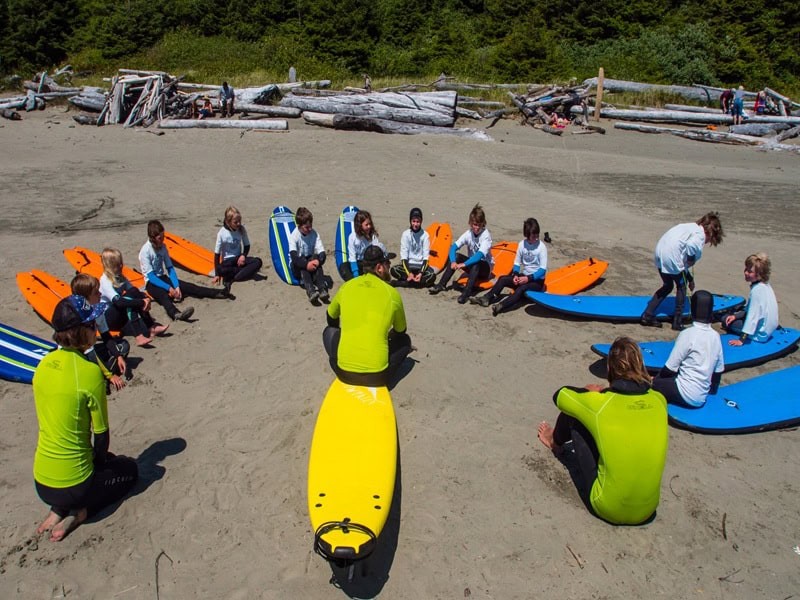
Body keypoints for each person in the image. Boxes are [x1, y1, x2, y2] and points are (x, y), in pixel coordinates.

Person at [32, 296, 139, 542]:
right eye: (92, 325)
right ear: (82, 332)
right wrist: (105, 462)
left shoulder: (43, 365)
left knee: (83, 461)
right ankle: (80, 513)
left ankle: (57, 509)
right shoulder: (90, 373)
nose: (96, 329)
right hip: (77, 485)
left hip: (42, 482)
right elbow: (101, 438)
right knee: (129, 469)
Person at [537, 336, 668, 525]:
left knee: (576, 415)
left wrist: (588, 391)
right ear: (641, 366)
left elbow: (560, 395)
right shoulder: (659, 400)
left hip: (608, 507)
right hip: (648, 510)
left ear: (609, 369)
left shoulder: (599, 404)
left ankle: (553, 443)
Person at [323, 246, 412, 387]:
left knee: (329, 332)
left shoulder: (347, 286)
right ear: (379, 268)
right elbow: (401, 331)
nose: (389, 267)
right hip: (378, 378)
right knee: (405, 341)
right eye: (387, 263)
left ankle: (346, 357)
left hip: (343, 373)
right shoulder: (392, 294)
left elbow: (330, 318)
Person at [641, 212, 724, 331]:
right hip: (671, 256)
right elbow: (690, 246)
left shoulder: (688, 227)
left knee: (668, 285)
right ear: (710, 232)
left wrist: (690, 278)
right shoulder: (699, 235)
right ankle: (677, 322)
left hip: (660, 253)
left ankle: (647, 315)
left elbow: (680, 265)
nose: (707, 242)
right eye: (710, 239)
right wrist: (691, 259)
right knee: (681, 287)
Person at [139, 220, 231, 322]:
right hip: (151, 283)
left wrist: (176, 286)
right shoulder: (145, 251)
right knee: (163, 297)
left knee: (188, 286)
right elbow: (151, 277)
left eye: (163, 236)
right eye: (160, 238)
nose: (162, 240)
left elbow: (170, 268)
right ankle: (176, 314)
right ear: (153, 238)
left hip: (163, 278)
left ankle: (218, 293)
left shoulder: (163, 247)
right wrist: (169, 288)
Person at [652, 290, 724, 408]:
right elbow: (718, 370)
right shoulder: (715, 336)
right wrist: (712, 390)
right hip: (702, 396)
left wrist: (656, 380)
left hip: (685, 394)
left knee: (653, 382)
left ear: (693, 310)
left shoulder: (688, 334)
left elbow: (670, 368)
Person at [470, 217, 547, 316]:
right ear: (527, 235)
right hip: (524, 276)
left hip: (537, 281)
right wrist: (515, 274)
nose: (536, 238)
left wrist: (528, 278)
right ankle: (486, 299)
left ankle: (500, 306)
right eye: (533, 236)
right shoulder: (522, 245)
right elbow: (517, 263)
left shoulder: (541, 247)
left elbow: (543, 270)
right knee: (502, 279)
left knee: (521, 289)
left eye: (537, 235)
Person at [99, 247, 169, 347]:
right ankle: (139, 336)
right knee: (129, 299)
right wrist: (142, 302)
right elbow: (119, 302)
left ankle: (151, 327)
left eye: (121, 263)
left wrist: (146, 298)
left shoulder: (119, 276)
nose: (121, 266)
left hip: (119, 315)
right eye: (117, 264)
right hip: (108, 320)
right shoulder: (105, 281)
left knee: (133, 293)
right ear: (109, 265)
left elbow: (134, 291)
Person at [70, 273, 127, 392]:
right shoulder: (76, 317)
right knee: (88, 363)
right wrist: (110, 375)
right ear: (85, 298)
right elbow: (88, 351)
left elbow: (106, 336)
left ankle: (100, 374)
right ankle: (101, 379)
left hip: (90, 351)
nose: (100, 294)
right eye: (96, 293)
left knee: (123, 346)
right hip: (75, 356)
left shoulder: (97, 309)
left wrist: (118, 356)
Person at [429, 203, 493, 304]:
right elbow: (453, 248)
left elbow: (479, 256)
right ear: (471, 223)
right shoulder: (468, 234)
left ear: (483, 224)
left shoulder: (486, 236)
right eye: (474, 225)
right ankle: (441, 284)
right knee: (457, 256)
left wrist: (464, 264)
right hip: (471, 265)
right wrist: (454, 261)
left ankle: (466, 293)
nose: (476, 228)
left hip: (485, 268)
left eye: (479, 225)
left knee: (476, 264)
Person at [722, 252, 779, 346]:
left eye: (750, 271)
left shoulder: (757, 291)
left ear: (759, 274)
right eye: (746, 269)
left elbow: (752, 317)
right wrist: (735, 316)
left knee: (725, 319)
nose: (745, 273)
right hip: (769, 330)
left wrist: (741, 340)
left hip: (759, 334)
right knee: (735, 315)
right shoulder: (766, 286)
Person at [213, 206, 263, 296]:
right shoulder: (221, 233)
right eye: (235, 222)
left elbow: (247, 245)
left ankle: (234, 276)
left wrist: (243, 255)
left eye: (240, 221)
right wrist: (217, 274)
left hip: (239, 260)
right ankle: (240, 274)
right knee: (220, 270)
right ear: (228, 222)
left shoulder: (241, 230)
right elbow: (217, 254)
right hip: (228, 261)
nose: (239, 223)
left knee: (258, 262)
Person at [289, 206, 330, 303]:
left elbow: (322, 253)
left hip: (310, 261)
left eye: (311, 226)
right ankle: (311, 291)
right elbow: (294, 258)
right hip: (298, 265)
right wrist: (306, 265)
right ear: (299, 226)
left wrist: (318, 261)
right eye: (306, 227)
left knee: (316, 259)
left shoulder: (314, 234)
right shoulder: (294, 236)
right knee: (302, 263)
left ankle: (322, 289)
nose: (310, 229)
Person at [391, 207, 435, 288]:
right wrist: (409, 273)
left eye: (418, 222)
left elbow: (426, 258)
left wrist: (421, 273)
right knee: (394, 270)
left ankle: (404, 283)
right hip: (409, 265)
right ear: (410, 221)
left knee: (432, 276)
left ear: (421, 222)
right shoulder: (405, 234)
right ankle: (416, 283)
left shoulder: (425, 235)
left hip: (420, 265)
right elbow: (404, 258)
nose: (415, 224)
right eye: (413, 221)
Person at [339, 210, 386, 282]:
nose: (369, 226)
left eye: (370, 224)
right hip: (357, 263)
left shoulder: (372, 235)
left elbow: (376, 252)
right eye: (366, 225)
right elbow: (352, 257)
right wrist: (355, 274)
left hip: (368, 264)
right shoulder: (352, 237)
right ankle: (354, 282)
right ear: (359, 225)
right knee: (343, 267)